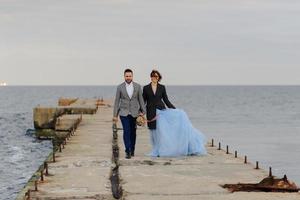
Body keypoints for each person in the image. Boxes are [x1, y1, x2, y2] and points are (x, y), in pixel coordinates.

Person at [143, 70, 206, 157]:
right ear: (151, 77)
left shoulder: (162, 87)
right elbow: (143, 101)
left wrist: (175, 110)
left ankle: (161, 150)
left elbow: (166, 100)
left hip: (161, 112)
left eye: (156, 76)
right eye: (153, 76)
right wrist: (141, 112)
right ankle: (156, 149)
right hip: (150, 112)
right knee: (153, 133)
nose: (154, 78)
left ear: (159, 78)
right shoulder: (146, 88)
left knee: (161, 133)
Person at [113, 68, 146, 159]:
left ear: (132, 76)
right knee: (126, 131)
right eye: (126, 76)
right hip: (124, 113)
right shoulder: (120, 87)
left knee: (133, 132)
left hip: (135, 113)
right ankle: (127, 151)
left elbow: (141, 100)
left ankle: (132, 149)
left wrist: (143, 111)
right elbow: (116, 101)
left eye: (130, 76)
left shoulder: (138, 86)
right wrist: (115, 115)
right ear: (124, 76)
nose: (128, 77)